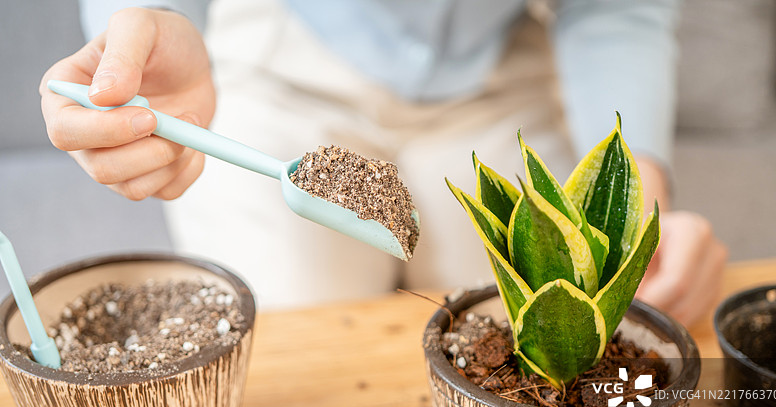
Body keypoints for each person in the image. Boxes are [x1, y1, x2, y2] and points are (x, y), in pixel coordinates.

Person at [40, 0, 727, 325]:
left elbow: (616, 12)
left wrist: (636, 188)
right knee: (300, 339)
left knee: (538, 326)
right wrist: (152, 20)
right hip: (279, 58)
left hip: (497, 76)